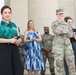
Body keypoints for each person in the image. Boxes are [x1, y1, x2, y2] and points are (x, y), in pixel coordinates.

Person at [51, 9, 76, 75]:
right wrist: (65, 31)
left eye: (62, 14)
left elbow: (71, 34)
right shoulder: (54, 23)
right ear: (56, 15)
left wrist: (62, 31)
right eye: (59, 14)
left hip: (68, 46)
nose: (60, 15)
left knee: (71, 63)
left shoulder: (67, 24)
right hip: (58, 47)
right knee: (59, 64)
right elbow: (56, 31)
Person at [0, 5, 23, 75]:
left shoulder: (14, 25)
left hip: (14, 49)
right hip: (3, 49)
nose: (7, 14)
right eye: (5, 13)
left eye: (9, 12)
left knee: (17, 68)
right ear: (1, 14)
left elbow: (19, 36)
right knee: (6, 69)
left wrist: (19, 40)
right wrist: (9, 40)